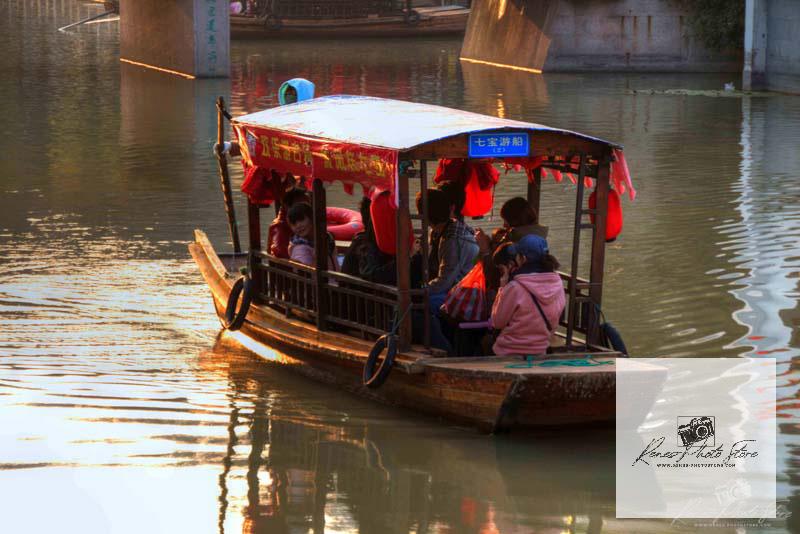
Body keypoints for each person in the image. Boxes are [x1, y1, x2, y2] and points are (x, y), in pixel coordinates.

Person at [489, 235, 565, 356]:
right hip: (540, 351)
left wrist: (502, 287)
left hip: (508, 351)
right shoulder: (558, 283)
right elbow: (558, 320)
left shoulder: (515, 287)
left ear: (522, 259)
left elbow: (497, 322)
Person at [475, 196, 549, 292]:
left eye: (505, 221)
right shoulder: (540, 239)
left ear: (515, 220)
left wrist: (485, 250)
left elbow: (495, 278)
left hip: (512, 296)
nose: (504, 225)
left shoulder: (515, 244)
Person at [341, 197, 396, 285]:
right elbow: (371, 276)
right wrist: (405, 260)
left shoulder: (374, 240)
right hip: (358, 296)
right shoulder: (364, 244)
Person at [287, 202, 336, 270]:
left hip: (334, 278)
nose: (298, 226)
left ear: (312, 218)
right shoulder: (300, 247)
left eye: (301, 220)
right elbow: (308, 274)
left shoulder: (327, 238)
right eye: (294, 224)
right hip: (324, 280)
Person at [269, 186, 311, 258]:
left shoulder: (309, 220)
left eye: (308, 205)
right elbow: (281, 255)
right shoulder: (279, 227)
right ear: (288, 207)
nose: (307, 209)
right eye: (302, 206)